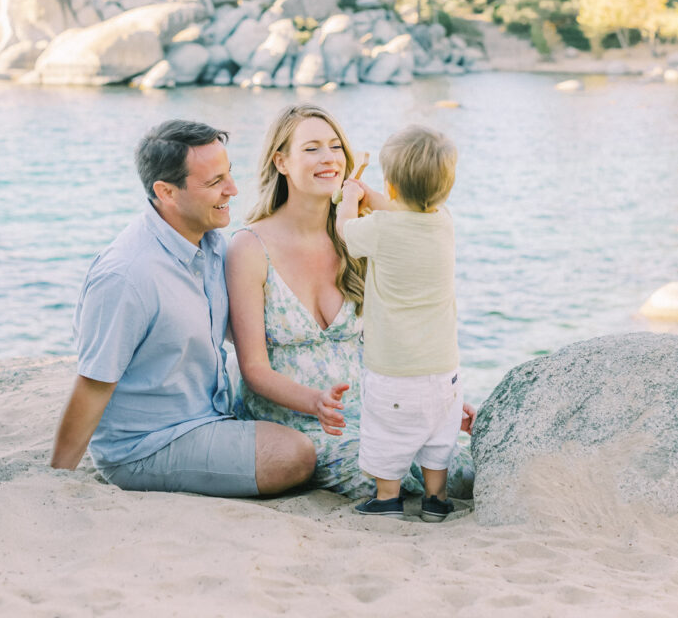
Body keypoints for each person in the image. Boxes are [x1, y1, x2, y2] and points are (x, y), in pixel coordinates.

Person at [50, 119, 316, 497]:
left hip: (210, 415)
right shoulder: (126, 276)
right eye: (214, 183)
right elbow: (93, 385)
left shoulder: (213, 244)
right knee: (295, 454)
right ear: (166, 192)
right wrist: (55, 482)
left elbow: (259, 322)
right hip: (147, 446)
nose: (232, 190)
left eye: (229, 175)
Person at [226, 103, 474, 499]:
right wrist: (316, 403)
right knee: (397, 482)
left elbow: (424, 229)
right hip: (303, 425)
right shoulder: (250, 247)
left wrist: (435, 396)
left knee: (462, 473)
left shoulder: (363, 234)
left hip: (382, 408)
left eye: (336, 146)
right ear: (281, 162)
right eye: (311, 149)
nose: (329, 158)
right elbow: (253, 368)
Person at [336, 124, 463, 521]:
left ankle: (387, 499)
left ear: (390, 188)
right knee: (438, 439)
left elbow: (345, 231)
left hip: (394, 367)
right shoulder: (444, 222)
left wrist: (348, 198)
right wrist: (374, 195)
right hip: (444, 368)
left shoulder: (379, 229)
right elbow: (403, 211)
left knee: (386, 433)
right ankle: (435, 501)